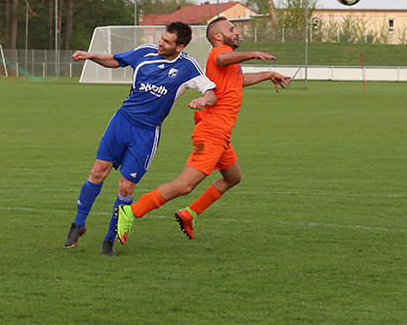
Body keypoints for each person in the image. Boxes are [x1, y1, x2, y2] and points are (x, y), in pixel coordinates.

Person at [115, 16, 291, 245]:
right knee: (185, 185)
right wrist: (253, 53)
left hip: (221, 134)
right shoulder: (219, 53)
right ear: (218, 37)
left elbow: (240, 79)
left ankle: (189, 214)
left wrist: (268, 74)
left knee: (232, 177)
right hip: (212, 133)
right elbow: (226, 58)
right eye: (231, 29)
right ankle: (131, 211)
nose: (236, 32)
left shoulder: (228, 65)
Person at [64, 22, 217, 256]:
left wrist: (202, 100)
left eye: (167, 41)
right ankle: (78, 224)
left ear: (180, 46)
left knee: (126, 188)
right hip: (122, 122)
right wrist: (90, 56)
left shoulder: (187, 67)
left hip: (146, 133)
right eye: (161, 38)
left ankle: (110, 239)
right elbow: (116, 60)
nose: (160, 43)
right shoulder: (145, 52)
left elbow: (211, 91)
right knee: (97, 172)